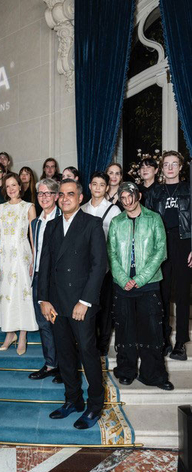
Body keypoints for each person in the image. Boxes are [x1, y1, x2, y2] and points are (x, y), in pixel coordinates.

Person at [38, 179, 107, 430]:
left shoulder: (92, 224)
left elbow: (99, 266)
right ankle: (73, 400)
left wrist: (85, 301)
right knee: (65, 354)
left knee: (88, 354)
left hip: (81, 305)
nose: (65, 198)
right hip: (56, 304)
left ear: (80, 198)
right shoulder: (52, 226)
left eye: (71, 194)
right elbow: (44, 264)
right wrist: (43, 300)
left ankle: (95, 405)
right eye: (62, 194)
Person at [107, 182, 173, 390]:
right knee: (125, 329)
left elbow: (160, 251)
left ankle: (153, 375)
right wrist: (122, 277)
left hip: (149, 284)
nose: (127, 202)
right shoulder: (116, 222)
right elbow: (111, 253)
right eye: (123, 198)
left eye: (130, 197)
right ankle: (126, 371)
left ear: (139, 196)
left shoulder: (154, 219)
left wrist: (140, 278)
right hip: (122, 284)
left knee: (152, 331)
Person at [146, 150, 191, 360]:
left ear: (180, 167)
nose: (170, 168)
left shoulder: (189, 189)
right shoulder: (155, 192)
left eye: (174, 164)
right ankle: (163, 340)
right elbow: (147, 222)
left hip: (184, 244)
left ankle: (180, 342)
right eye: (167, 164)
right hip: (161, 245)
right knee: (161, 295)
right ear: (162, 168)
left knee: (182, 295)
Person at [0, 173, 38, 355]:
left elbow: (33, 236)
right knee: (6, 293)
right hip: (4, 257)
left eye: (14, 185)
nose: (11, 189)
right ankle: (10, 334)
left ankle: (22, 335)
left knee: (22, 293)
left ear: (20, 186)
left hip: (22, 255)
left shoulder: (29, 207)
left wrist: (34, 258)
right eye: (8, 186)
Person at [82, 172, 121, 355]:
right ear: (89, 186)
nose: (97, 187)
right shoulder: (81, 209)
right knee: (88, 304)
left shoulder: (114, 210)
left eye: (101, 184)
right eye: (94, 184)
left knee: (105, 307)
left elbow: (118, 240)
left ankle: (103, 344)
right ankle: (88, 341)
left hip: (105, 267)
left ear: (107, 188)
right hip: (85, 267)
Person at [29, 178, 61, 383]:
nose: (44, 197)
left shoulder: (64, 219)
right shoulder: (35, 223)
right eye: (40, 193)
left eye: (48, 193)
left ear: (56, 196)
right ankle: (51, 364)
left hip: (58, 280)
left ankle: (66, 367)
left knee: (60, 324)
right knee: (43, 323)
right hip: (39, 277)